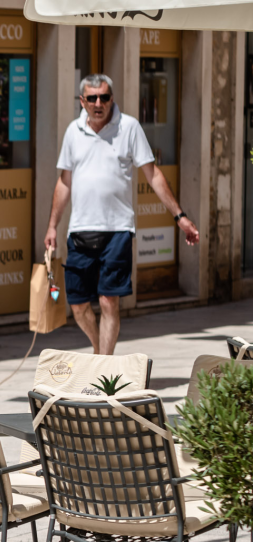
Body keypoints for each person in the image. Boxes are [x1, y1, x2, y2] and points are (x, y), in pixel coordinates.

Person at [44, 73, 199, 355]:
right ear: (82, 101)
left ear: (111, 98)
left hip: (118, 230)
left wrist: (180, 217)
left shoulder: (129, 127)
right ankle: (98, 351)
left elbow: (153, 175)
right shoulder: (73, 131)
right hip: (80, 230)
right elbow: (64, 181)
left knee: (107, 301)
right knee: (77, 304)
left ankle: (104, 363)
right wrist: (52, 226)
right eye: (92, 98)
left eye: (104, 97)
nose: (98, 103)